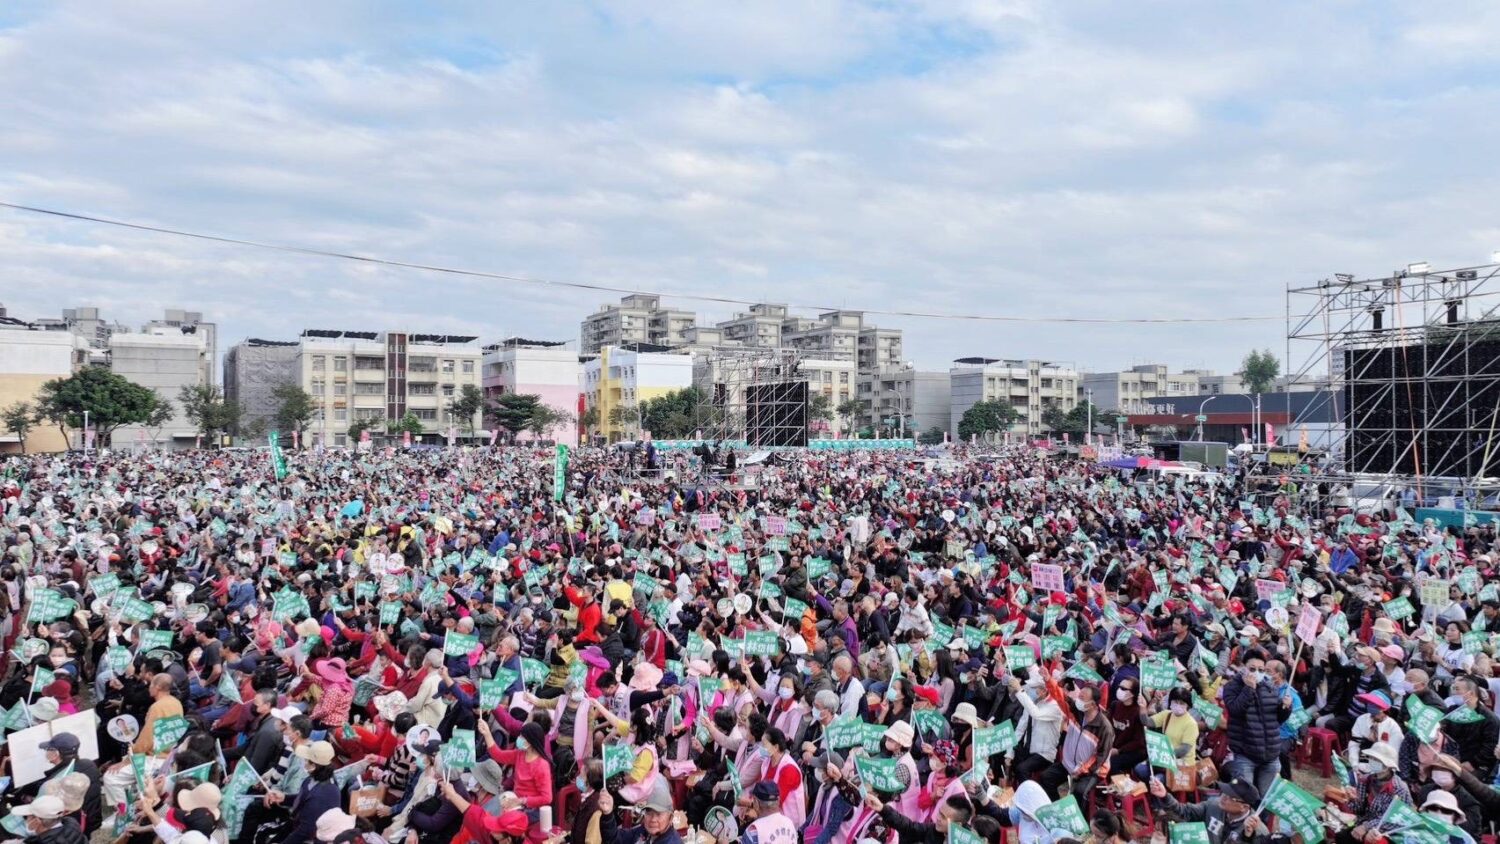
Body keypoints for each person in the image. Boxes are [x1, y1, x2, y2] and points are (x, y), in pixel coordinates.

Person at [1147, 776, 1269, 844]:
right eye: (1223, 793)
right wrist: (1164, 796)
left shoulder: (1258, 830)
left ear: (1244, 807)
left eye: (1229, 797)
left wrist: (1248, 836)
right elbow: (1184, 811)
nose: (1222, 798)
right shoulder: (1213, 805)